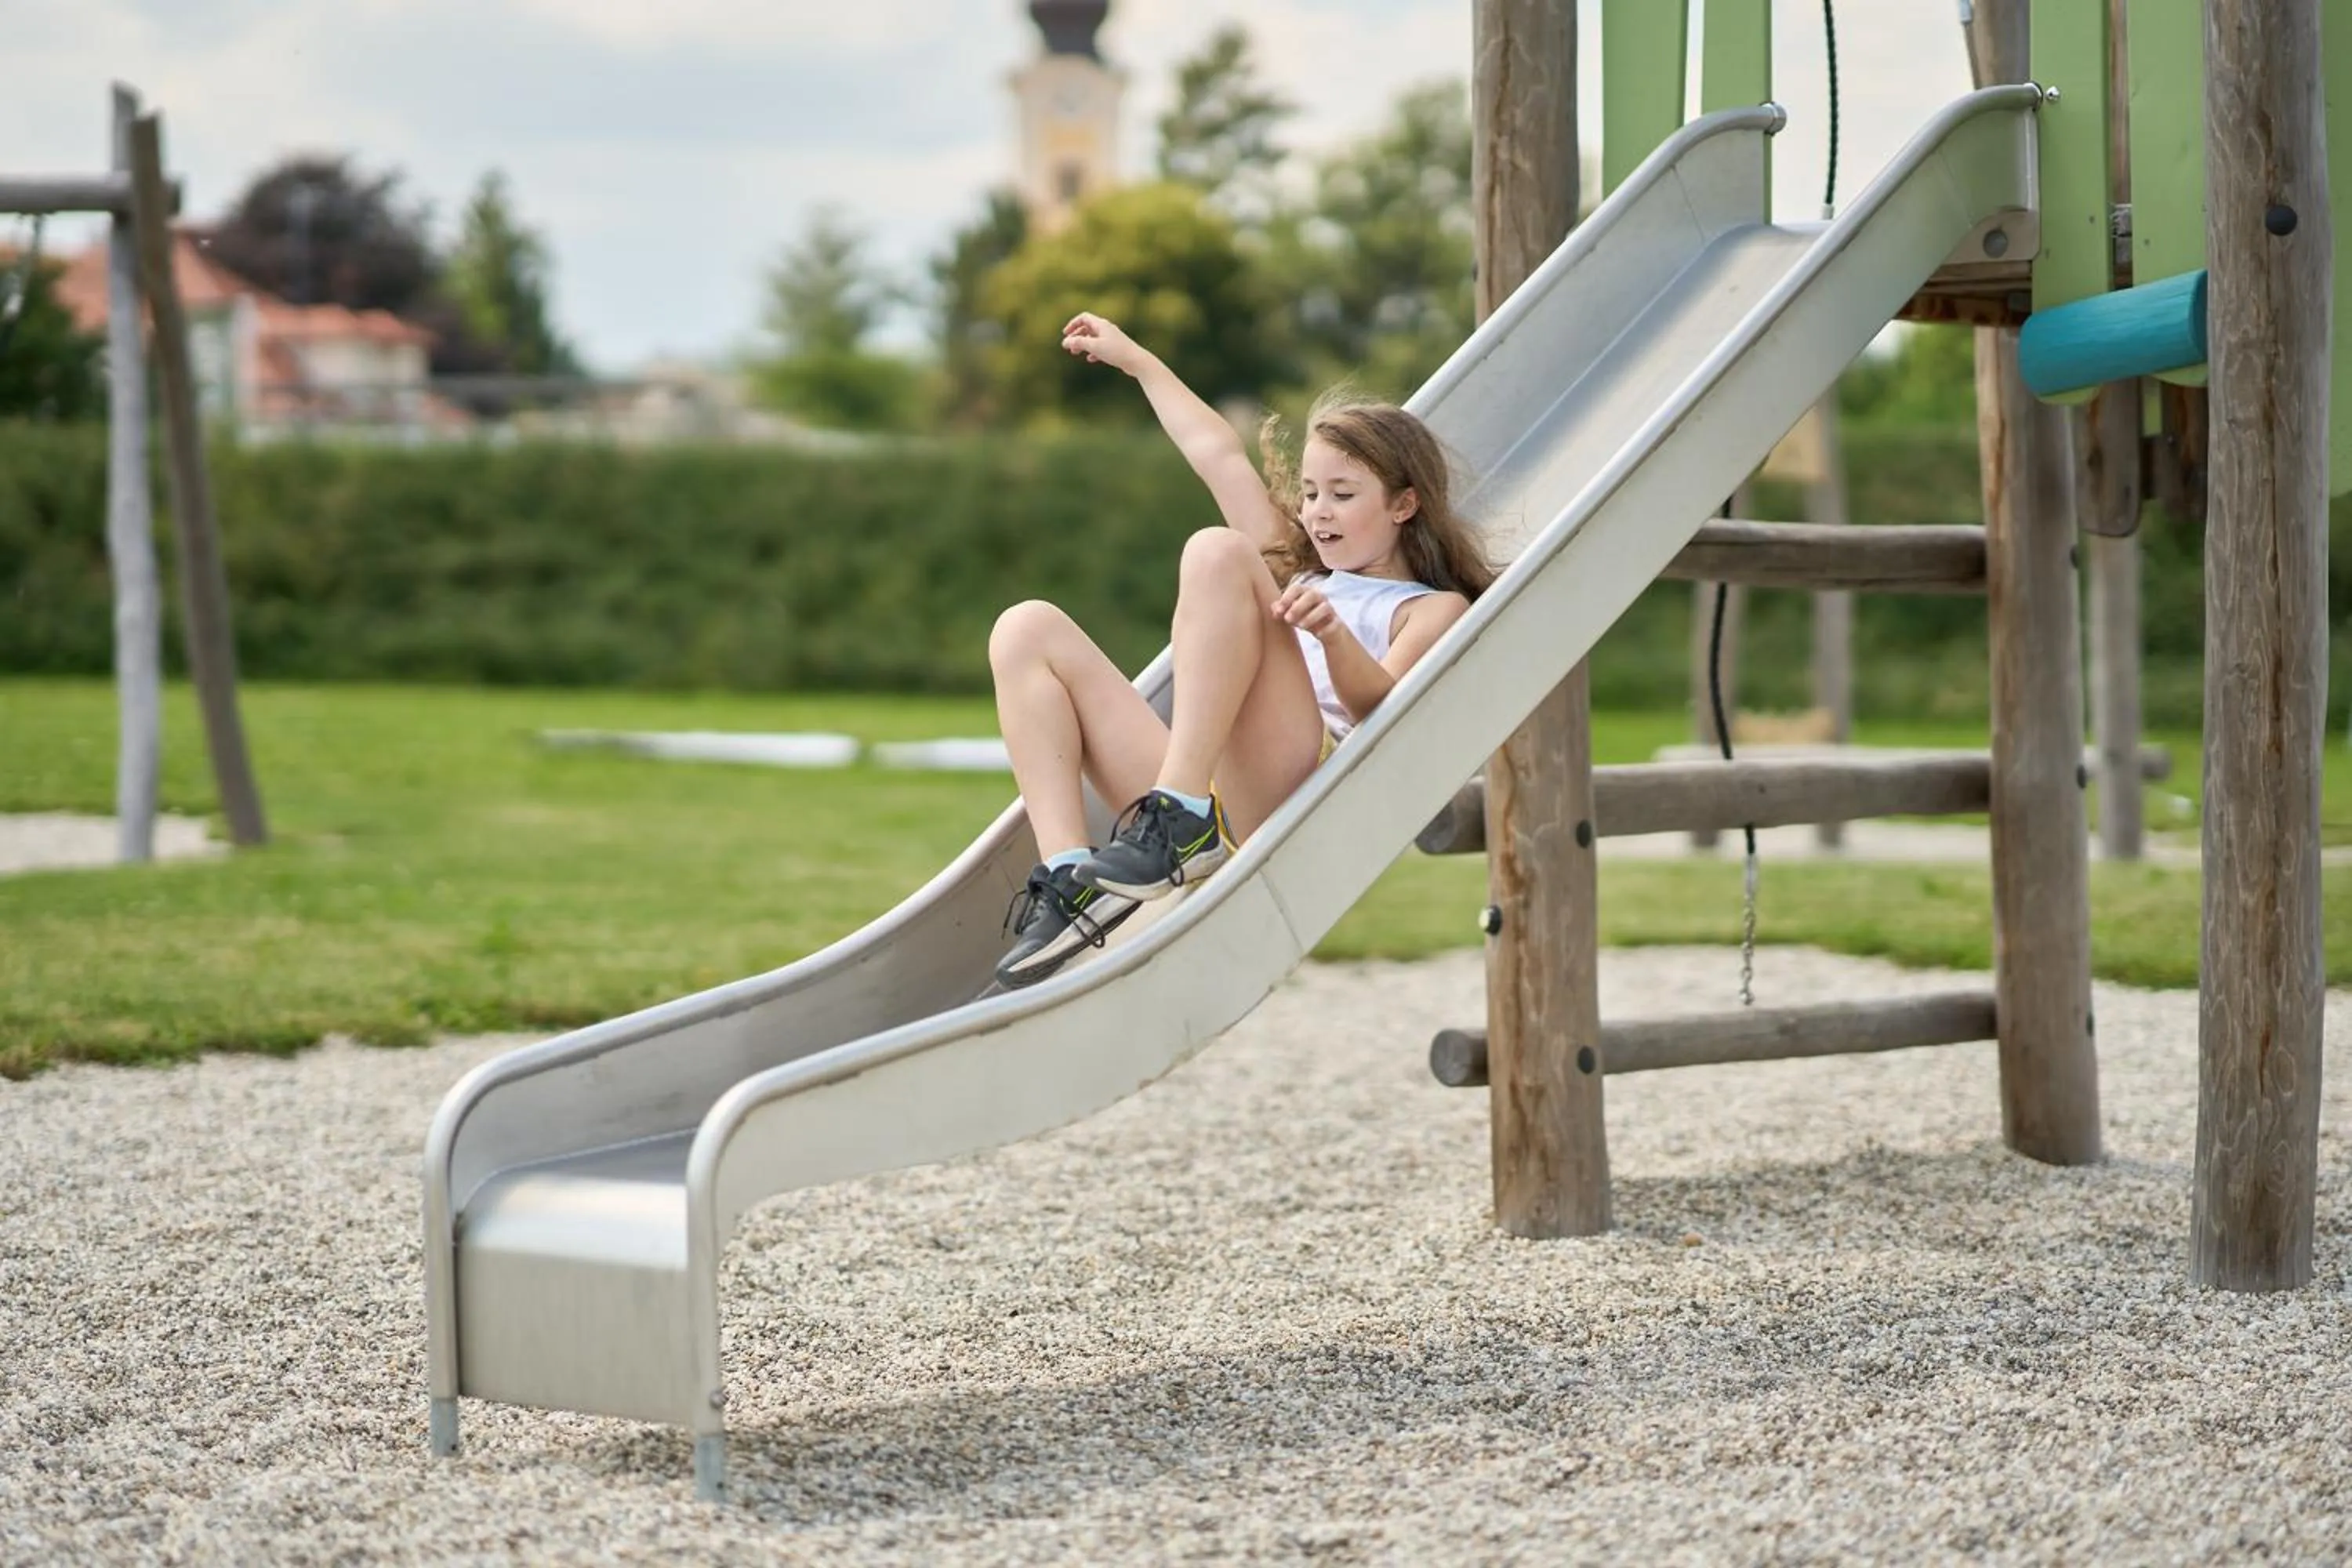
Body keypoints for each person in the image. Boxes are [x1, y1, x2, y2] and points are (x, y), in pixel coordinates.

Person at [990, 312, 1495, 989]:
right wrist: (1138, 359)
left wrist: (1333, 635)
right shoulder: (1300, 569)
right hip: (1209, 787)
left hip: (1292, 792)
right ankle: (1069, 876)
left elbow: (1382, 708)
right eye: (1312, 492)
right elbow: (1218, 454)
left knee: (1218, 550)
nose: (1317, 511)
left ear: (1404, 505)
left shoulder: (1433, 608)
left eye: (1343, 496)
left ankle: (1181, 816)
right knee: (1027, 628)